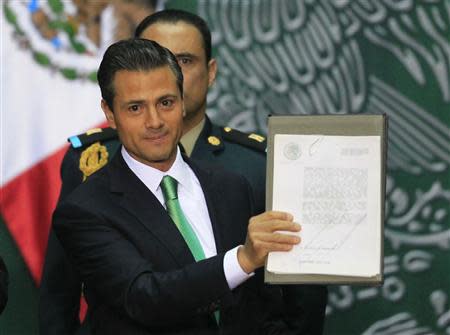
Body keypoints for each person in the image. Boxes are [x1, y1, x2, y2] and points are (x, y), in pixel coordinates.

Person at [39, 9, 327, 335]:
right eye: (135, 108)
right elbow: (145, 297)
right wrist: (243, 259)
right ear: (110, 113)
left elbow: (262, 312)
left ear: (181, 100)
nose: (155, 121)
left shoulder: (232, 186)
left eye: (166, 103)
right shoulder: (85, 208)